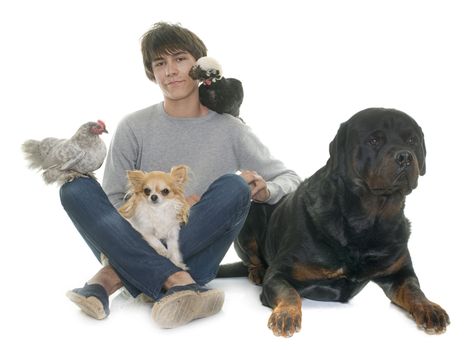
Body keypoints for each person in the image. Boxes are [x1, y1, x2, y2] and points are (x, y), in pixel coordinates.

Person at [60, 22, 301, 329]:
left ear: (199, 66)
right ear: (152, 72)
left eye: (180, 59)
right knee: (74, 188)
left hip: (193, 253)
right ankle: (176, 283)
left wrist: (267, 190)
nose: (170, 70)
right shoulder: (133, 126)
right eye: (160, 63)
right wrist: (151, 212)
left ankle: (109, 279)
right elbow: (112, 201)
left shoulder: (230, 129)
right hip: (143, 237)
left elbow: (290, 177)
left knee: (234, 186)